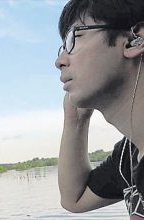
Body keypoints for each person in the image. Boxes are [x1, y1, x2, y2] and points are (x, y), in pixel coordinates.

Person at [55, 0, 144, 218]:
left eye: (74, 38)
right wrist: (75, 121)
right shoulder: (129, 156)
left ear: (134, 39)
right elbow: (74, 199)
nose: (59, 61)